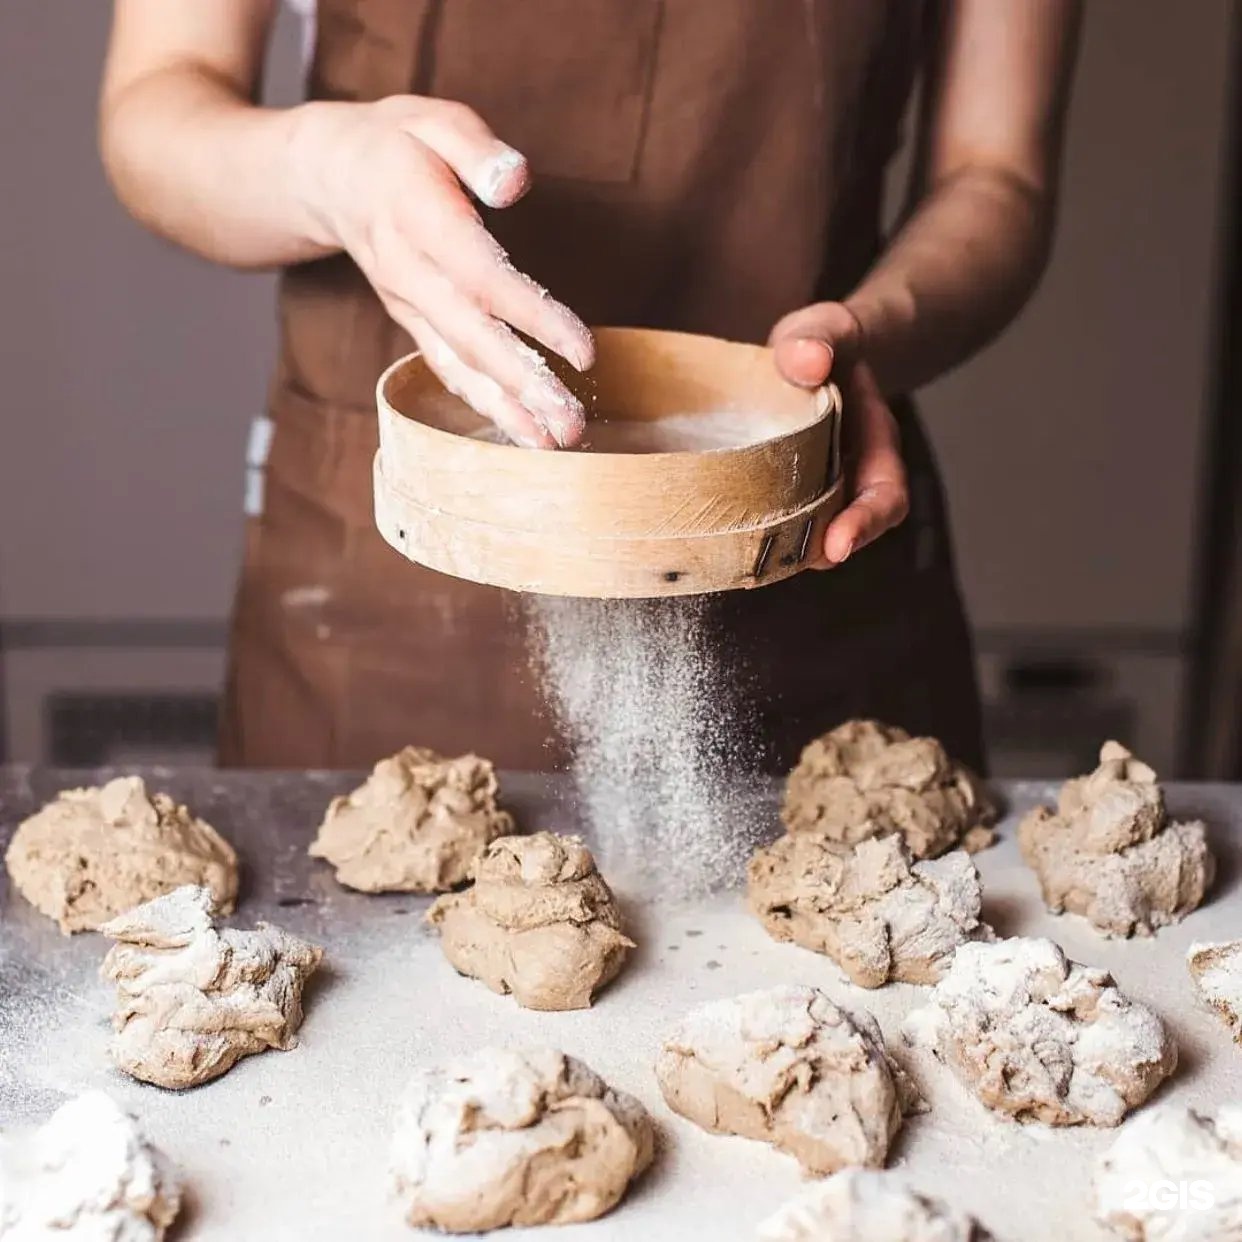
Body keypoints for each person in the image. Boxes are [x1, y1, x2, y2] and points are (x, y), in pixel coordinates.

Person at [99, 0, 1080, 774]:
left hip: (797, 535)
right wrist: (329, 171)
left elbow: (996, 172)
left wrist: (879, 333)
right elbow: (157, 105)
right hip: (393, 582)